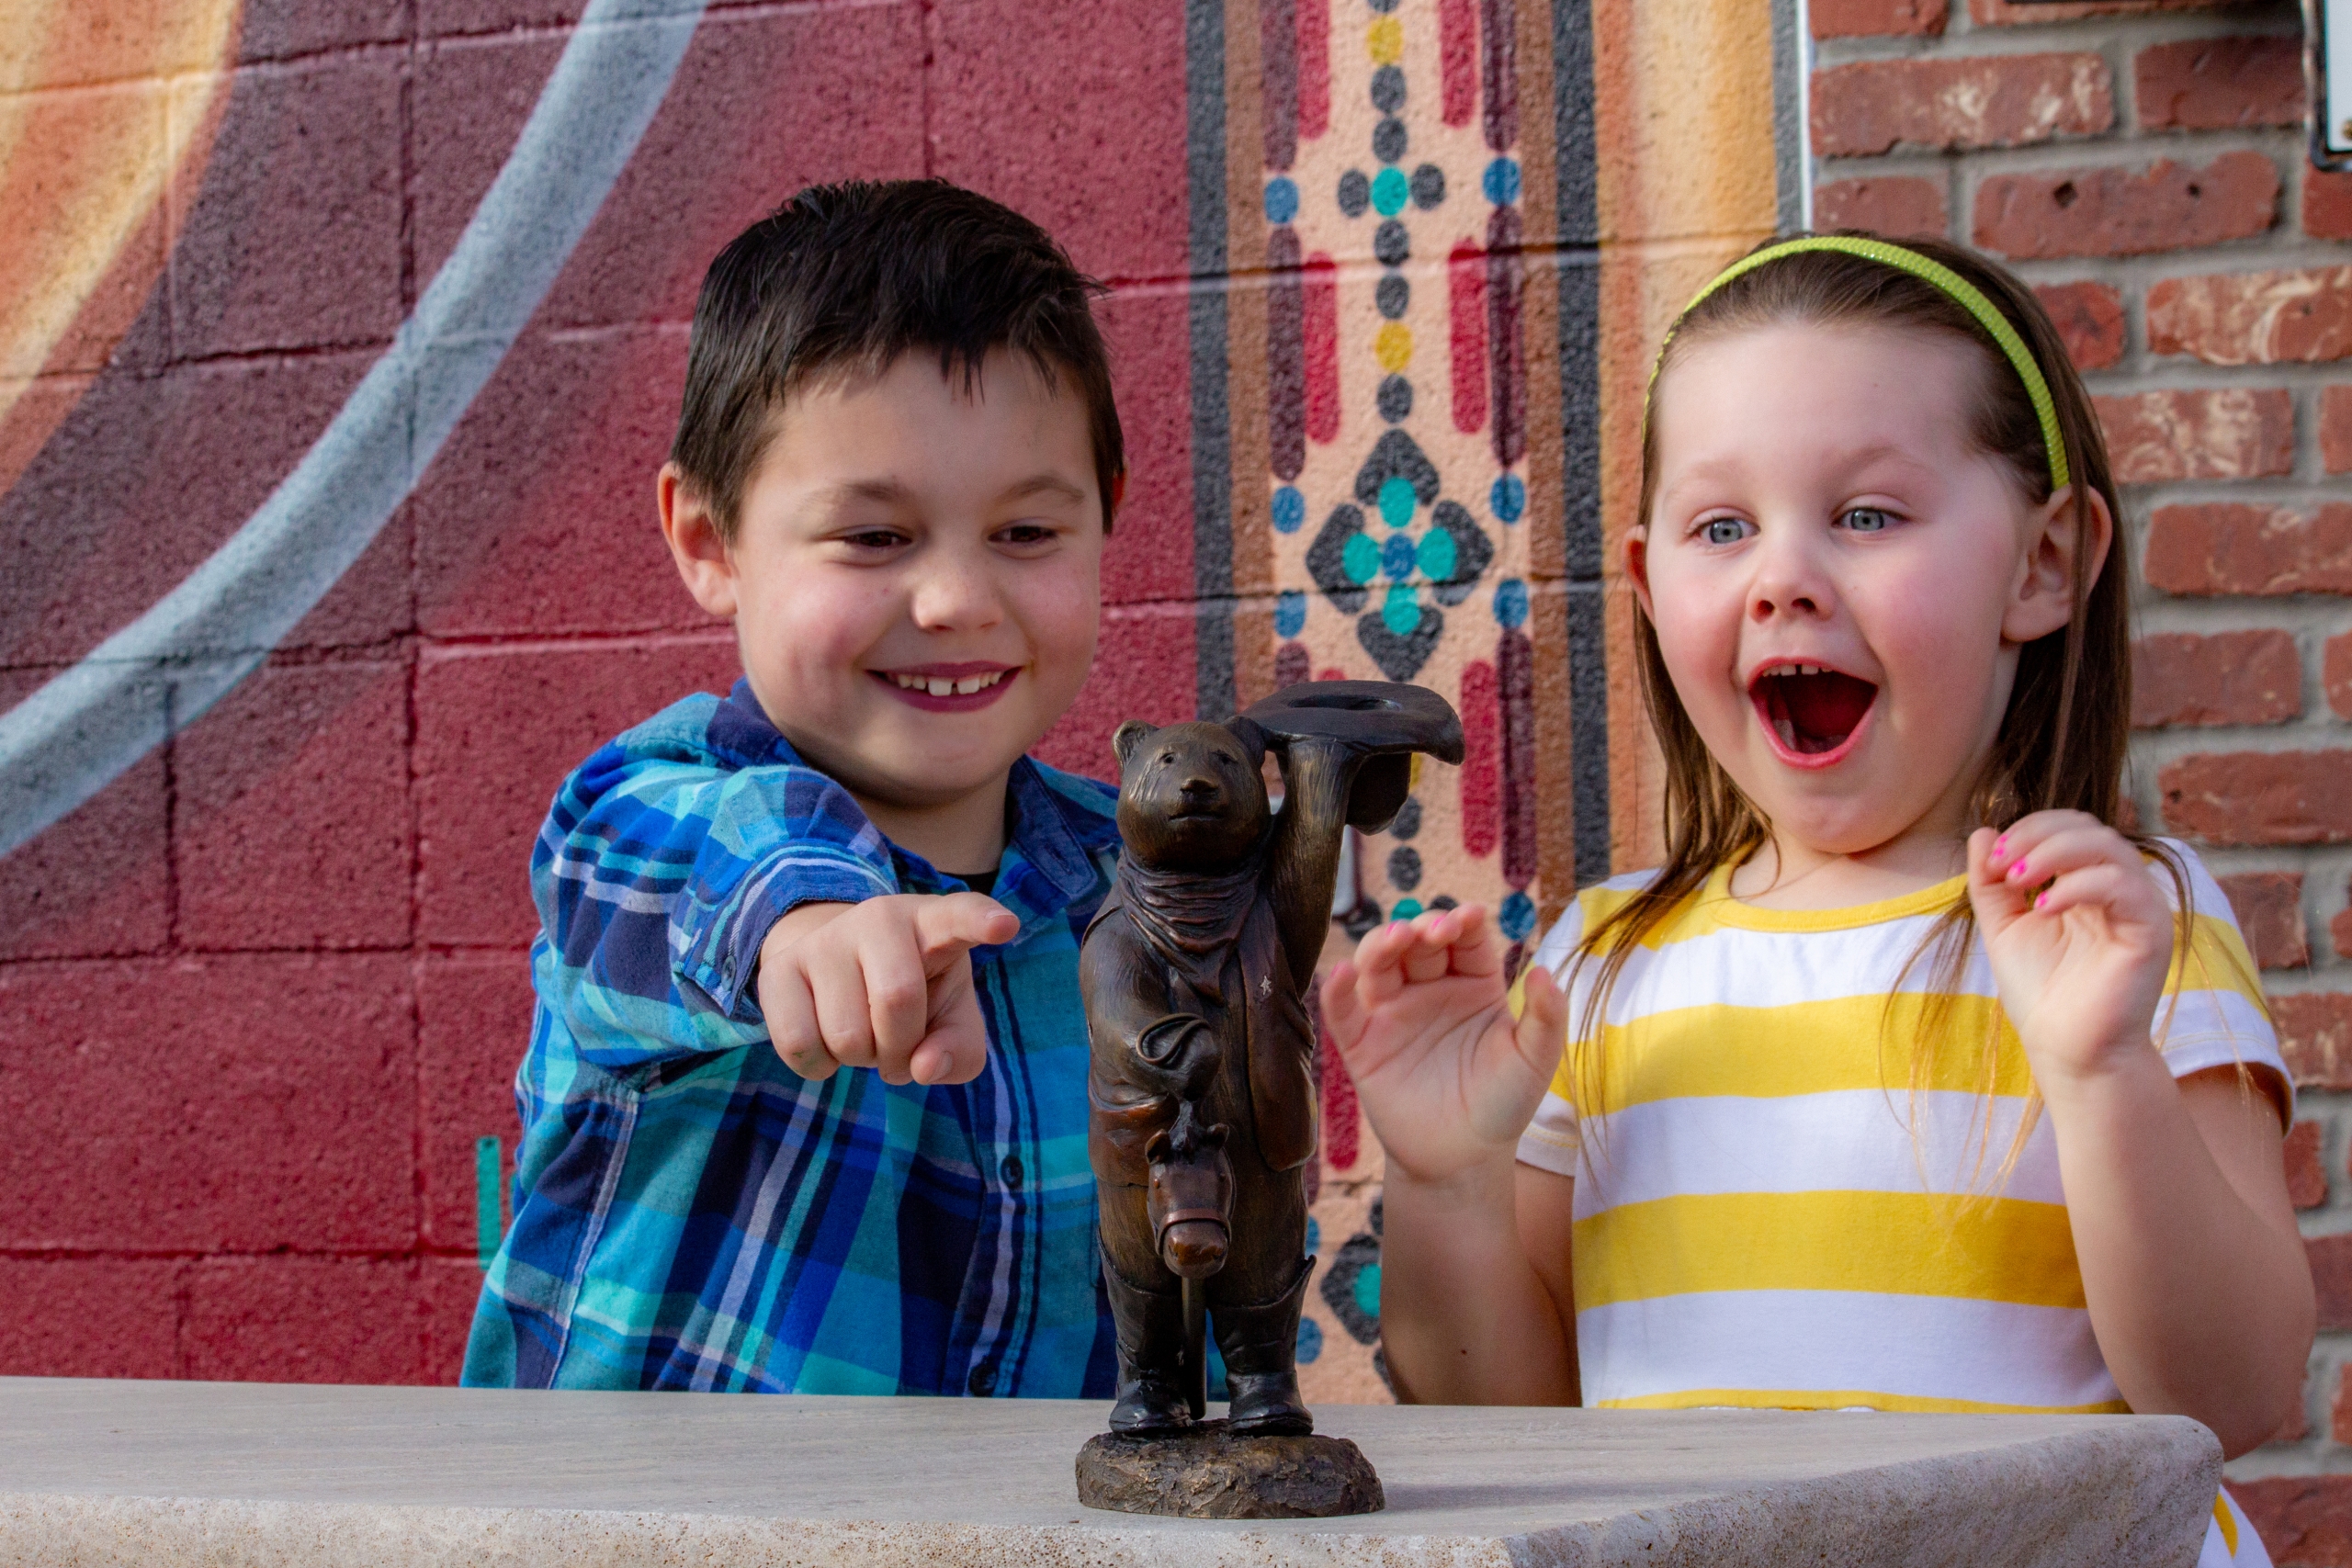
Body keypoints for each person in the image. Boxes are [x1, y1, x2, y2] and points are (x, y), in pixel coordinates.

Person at [1318, 233, 2312, 1567]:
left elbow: (2236, 1396)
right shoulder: (1606, 959)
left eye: (1867, 516)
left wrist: (2102, 1069)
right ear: (1648, 583)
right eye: (1723, 527)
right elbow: (1512, 1417)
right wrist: (1443, 1181)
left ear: (2044, 564)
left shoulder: (2125, 928)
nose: (1782, 574)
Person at [463, 180, 1131, 1396]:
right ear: (709, 542)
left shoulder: (1130, 897)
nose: (956, 601)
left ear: (1103, 526)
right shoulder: (645, 810)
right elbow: (689, 861)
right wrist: (805, 928)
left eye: (1027, 534)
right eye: (875, 538)